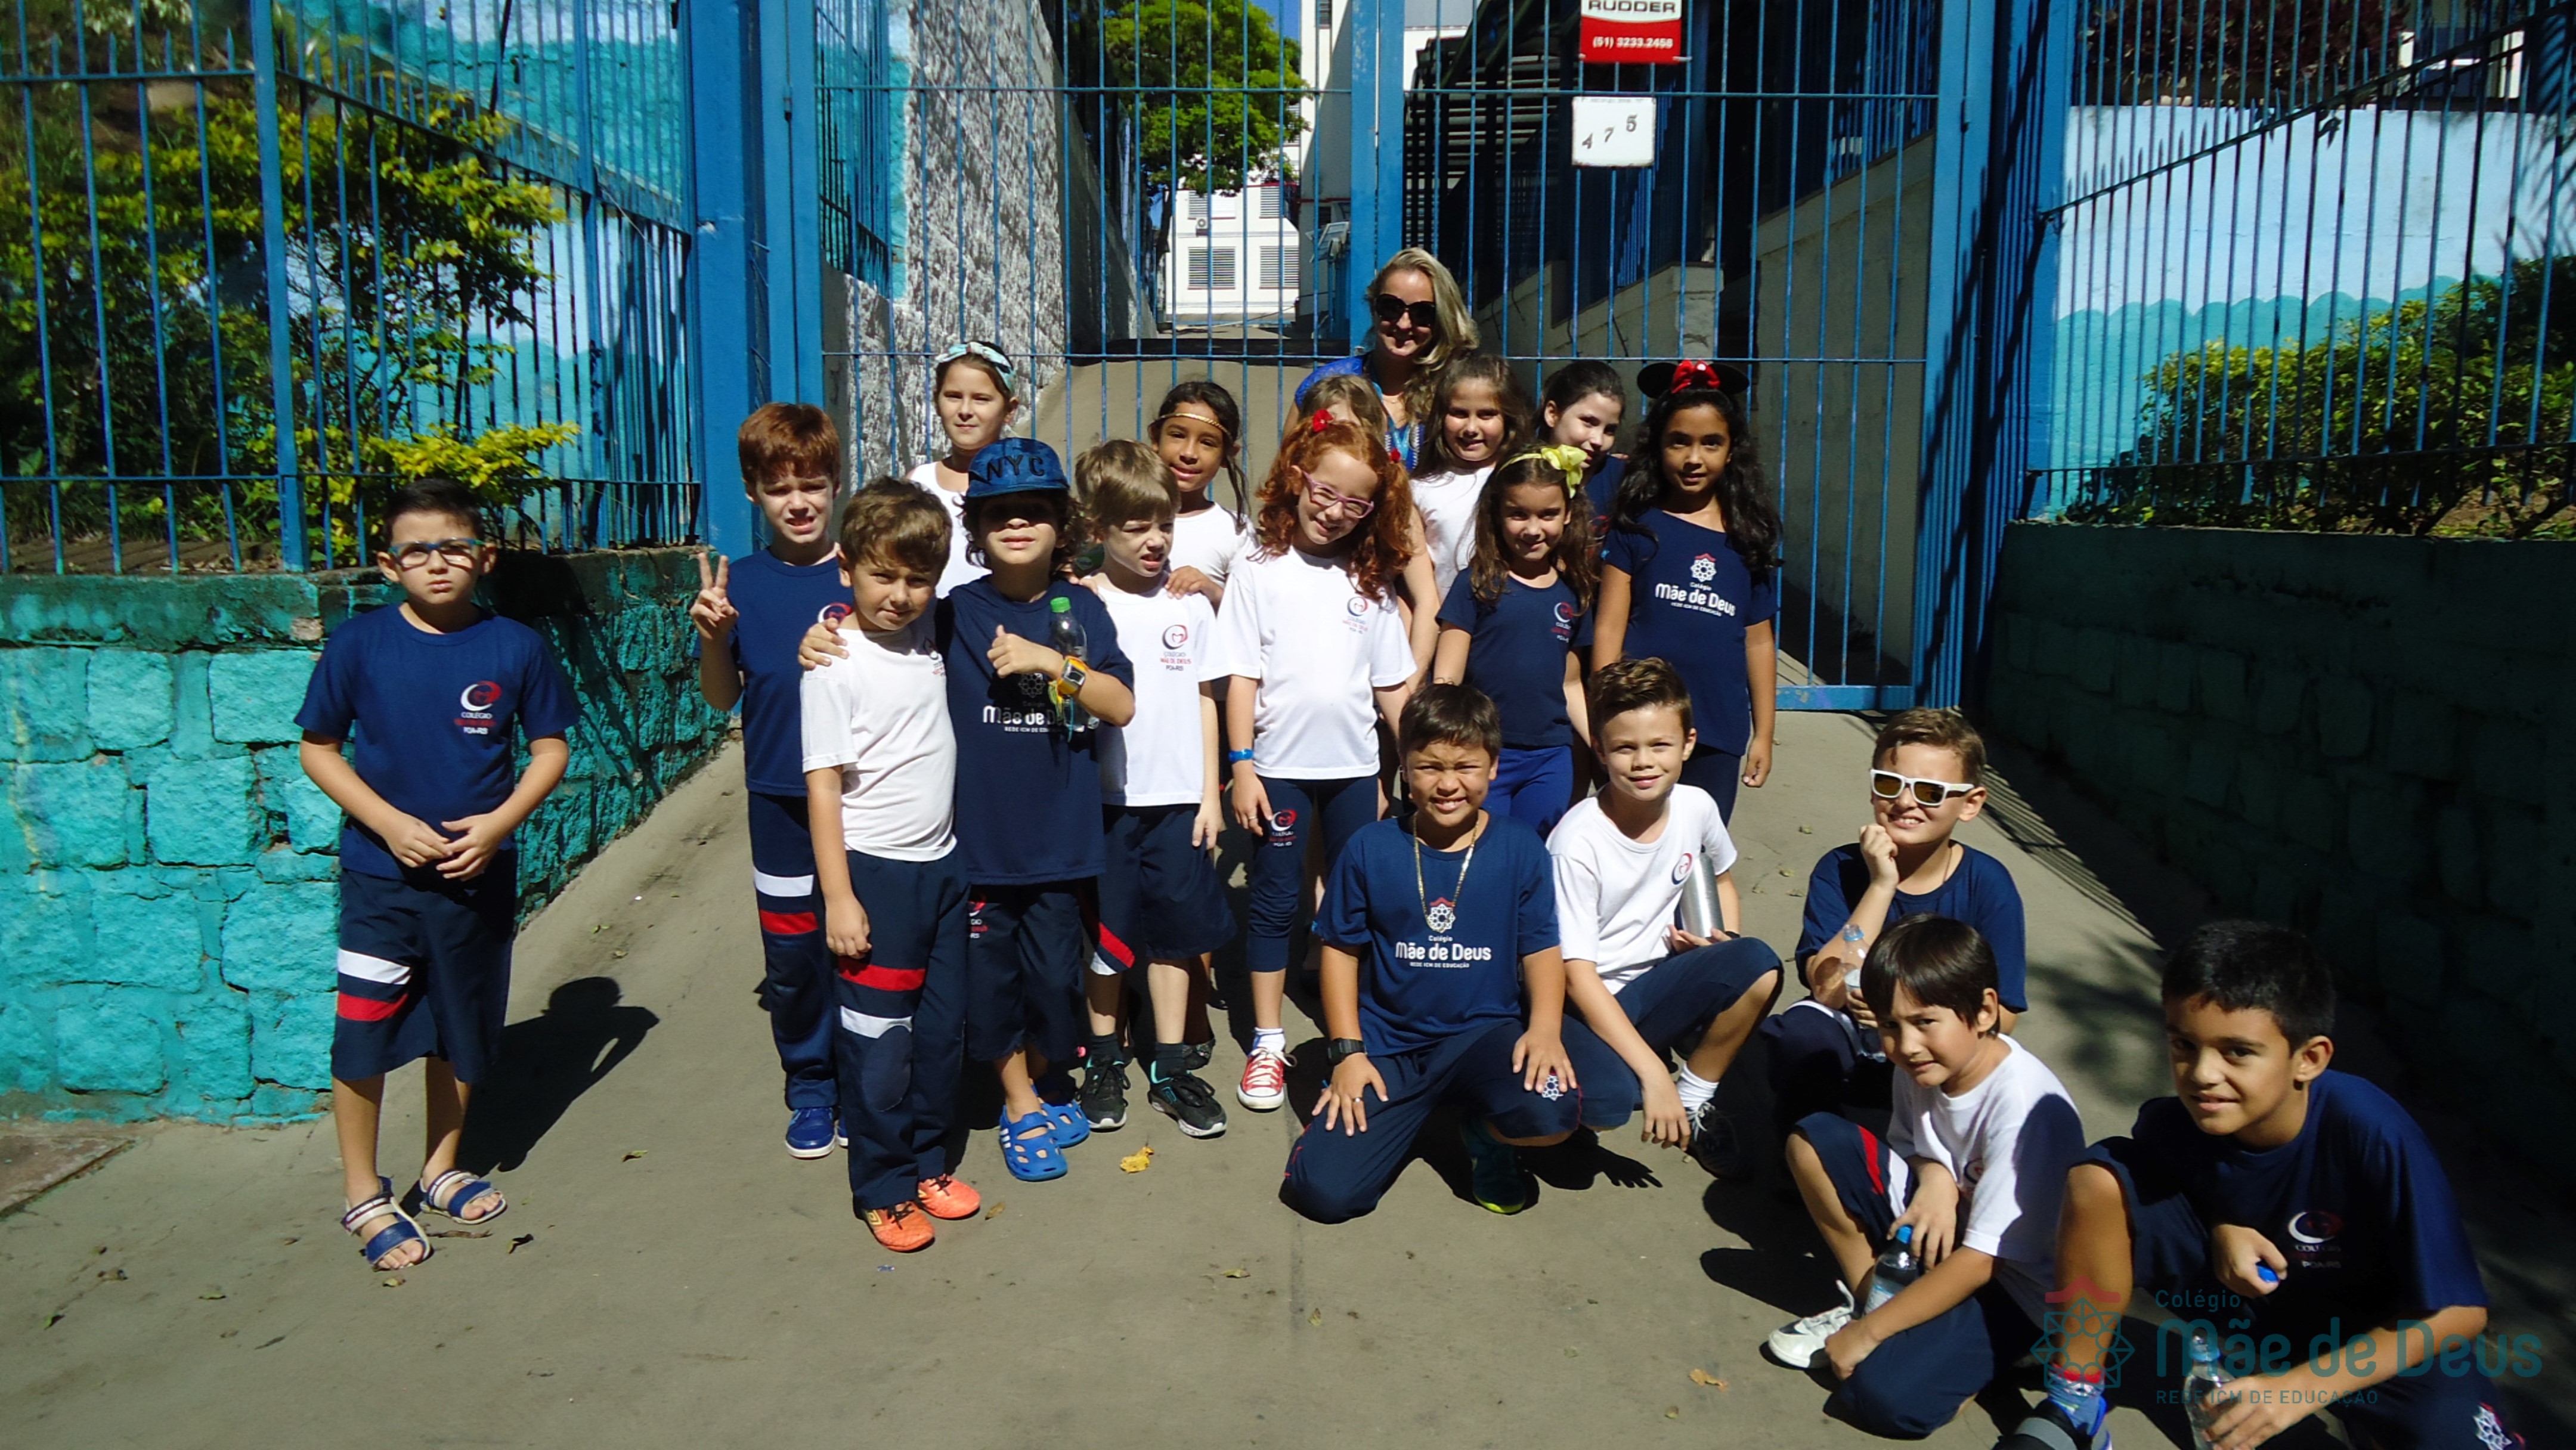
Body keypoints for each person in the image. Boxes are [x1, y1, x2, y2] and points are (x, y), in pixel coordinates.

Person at [1998, 922, 2525, 1450]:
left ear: (2309, 1059)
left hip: (2376, 1342)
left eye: (2237, 1052)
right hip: (2262, 1310)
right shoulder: (2187, 1120)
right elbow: (2156, 1134)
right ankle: (2075, 1400)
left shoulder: (2372, 1131)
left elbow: (2461, 1312)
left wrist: (2301, 1389)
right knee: (2101, 1178)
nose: (2202, 1074)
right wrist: (2222, 1222)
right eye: (2184, 1044)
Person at [804, 438, 1138, 1183]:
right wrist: (820, 633)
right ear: (977, 529)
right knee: (991, 992)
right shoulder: (951, 614)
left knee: (1054, 986)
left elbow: (1120, 704)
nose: (1016, 523)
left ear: (1061, 523)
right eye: (998, 513)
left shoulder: (1083, 608)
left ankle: (1041, 1077)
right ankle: (1019, 1102)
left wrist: (1053, 662)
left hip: (1061, 844)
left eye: (1033, 511)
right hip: (977, 851)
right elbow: (876, 626)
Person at [295, 478, 575, 1272]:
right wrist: (388, 824)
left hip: (476, 881)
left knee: (461, 1026)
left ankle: (441, 1165)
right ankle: (362, 1192)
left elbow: (550, 748)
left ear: (484, 558)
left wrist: (498, 826)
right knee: (364, 1029)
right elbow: (319, 748)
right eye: (416, 550)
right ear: (389, 565)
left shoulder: (516, 647)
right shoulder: (359, 645)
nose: (436, 562)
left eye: (454, 546)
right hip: (379, 883)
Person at [1761, 916, 2087, 1440]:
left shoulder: (2025, 1108)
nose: (1907, 1045)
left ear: (1985, 1011)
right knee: (1814, 1142)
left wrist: (1870, 1337)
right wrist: (1934, 1177)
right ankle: (1874, 1300)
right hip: (1949, 1225)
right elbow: (1912, 1144)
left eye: (1925, 1022)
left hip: (2016, 1284)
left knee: (1882, 1398)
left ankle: (1996, 1352)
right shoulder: (1922, 1066)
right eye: (1890, 1026)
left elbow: (1985, 1260)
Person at [1281, 685, 1582, 1221]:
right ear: (1405, 769)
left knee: (1552, 1112)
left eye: (1466, 767)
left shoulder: (1520, 848)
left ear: (1493, 766)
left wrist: (1544, 1029)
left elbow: (1541, 946)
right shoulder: (1371, 848)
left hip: (1483, 1035)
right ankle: (1396, 1115)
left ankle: (1484, 1133)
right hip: (1389, 1046)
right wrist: (1347, 1052)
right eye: (1429, 767)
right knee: (1323, 1195)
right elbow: (1340, 951)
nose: (1447, 784)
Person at [1209, 418, 1417, 1113]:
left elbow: (1392, 687)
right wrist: (1243, 765)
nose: (1334, 511)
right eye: (1325, 492)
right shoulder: (1259, 568)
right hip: (1279, 770)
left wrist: (1418, 762)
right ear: (1298, 478)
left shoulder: (1372, 579)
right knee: (1275, 900)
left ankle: (1351, 1034)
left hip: (1355, 771)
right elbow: (1241, 675)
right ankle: (1268, 1041)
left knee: (1357, 904)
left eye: (1356, 503)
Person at [799, 480, 978, 1251]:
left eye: (917, 579)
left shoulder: (930, 639)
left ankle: (929, 1163)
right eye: (882, 575)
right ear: (846, 568)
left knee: (940, 1036)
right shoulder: (833, 663)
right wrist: (839, 896)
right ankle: (884, 1186)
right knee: (880, 1046)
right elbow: (823, 788)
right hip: (875, 876)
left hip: (944, 870)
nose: (899, 594)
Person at [687, 402, 853, 1159]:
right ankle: (811, 1084)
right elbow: (722, 697)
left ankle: (865, 1077)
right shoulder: (740, 585)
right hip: (780, 801)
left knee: (861, 943)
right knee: (792, 957)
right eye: (779, 487)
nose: (799, 502)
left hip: (861, 799)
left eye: (812, 484)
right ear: (753, 491)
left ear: (836, 484)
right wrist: (714, 639)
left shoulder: (864, 570)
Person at [1550, 658, 1783, 1178]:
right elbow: (1576, 976)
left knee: (1756, 963)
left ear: (1688, 744)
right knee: (1613, 1101)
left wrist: (1721, 940)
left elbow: (1722, 878)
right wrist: (1654, 1075)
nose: (1643, 762)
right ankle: (1561, 1109)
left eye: (1659, 745)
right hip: (1584, 1003)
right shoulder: (1577, 843)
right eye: (1625, 748)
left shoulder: (1697, 807)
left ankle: (1694, 1098)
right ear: (1600, 750)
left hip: (1652, 983)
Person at [1070, 441, 1235, 1140]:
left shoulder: (1188, 604)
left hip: (1178, 803)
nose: (1155, 540)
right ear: (1097, 528)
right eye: (1136, 527)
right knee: (1107, 941)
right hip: (1105, 804)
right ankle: (1104, 1056)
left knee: (1174, 937)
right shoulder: (1081, 604)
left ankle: (1170, 1066)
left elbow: (1205, 698)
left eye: (1164, 524)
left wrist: (1210, 793)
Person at [1763, 709, 2029, 1141]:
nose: (1905, 802)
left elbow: (2004, 1015)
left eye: (1930, 791)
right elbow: (1828, 989)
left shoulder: (1988, 884)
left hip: (1938, 1047)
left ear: (1971, 803)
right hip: (1855, 1040)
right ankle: (1799, 1145)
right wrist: (1881, 884)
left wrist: (1906, 1014)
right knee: (1802, 1033)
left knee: (1999, 1059)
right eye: (1890, 784)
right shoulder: (1841, 869)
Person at [1589, 361, 1779, 820]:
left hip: (1717, 728)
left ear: (1732, 451)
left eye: (1711, 443)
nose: (1694, 458)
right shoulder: (1636, 527)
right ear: (1658, 446)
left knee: (1699, 848)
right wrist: (1603, 713)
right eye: (1679, 442)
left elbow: (1758, 641)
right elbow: (1610, 627)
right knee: (1632, 839)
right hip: (1639, 726)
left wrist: (1764, 734)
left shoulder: (1748, 537)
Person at [1431, 445, 1596, 834]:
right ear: (1497, 514)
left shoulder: (1574, 593)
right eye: (1518, 514)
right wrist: (1446, 748)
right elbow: (1447, 681)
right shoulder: (1476, 584)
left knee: (1535, 852)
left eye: (1548, 514)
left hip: (1551, 757)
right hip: (1483, 753)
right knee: (1484, 851)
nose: (1533, 529)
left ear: (1568, 514)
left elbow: (1571, 683)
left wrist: (1600, 742)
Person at [1294, 247, 1476, 470]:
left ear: (1442, 318)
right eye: (1391, 308)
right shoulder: (1324, 386)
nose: (1404, 324)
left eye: (1422, 313)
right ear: (1374, 308)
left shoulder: (1460, 391)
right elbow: (1289, 477)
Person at [1410, 351, 1532, 603]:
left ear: (1508, 418)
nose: (1471, 429)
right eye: (1459, 413)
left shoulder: (1528, 481)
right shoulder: (1420, 490)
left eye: (1487, 414)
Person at [907, 340, 1021, 596]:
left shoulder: (1025, 481)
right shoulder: (919, 483)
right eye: (954, 397)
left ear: (1009, 410)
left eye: (981, 399)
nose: (965, 411)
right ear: (937, 401)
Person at [1148, 379, 1252, 608]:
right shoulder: (1123, 517)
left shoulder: (1235, 531)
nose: (1189, 453)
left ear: (1227, 455)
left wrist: (1212, 591)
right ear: (1156, 437)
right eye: (1178, 435)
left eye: (1207, 443)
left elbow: (1249, 612)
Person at [1537, 359, 1628, 523]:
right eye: (1588, 422)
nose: (1598, 441)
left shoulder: (1622, 480)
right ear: (1553, 414)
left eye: (1610, 430)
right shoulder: (1520, 472)